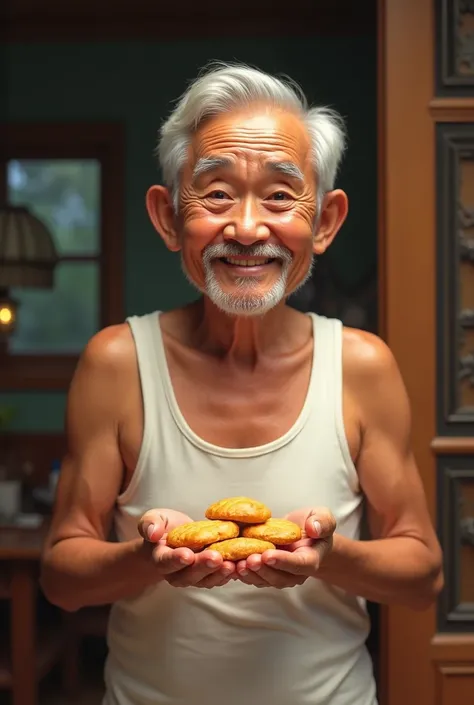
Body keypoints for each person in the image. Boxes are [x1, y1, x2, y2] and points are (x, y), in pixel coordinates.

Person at [40, 63, 443, 705]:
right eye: (217, 195)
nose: (248, 228)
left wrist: (327, 555)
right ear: (169, 218)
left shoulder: (361, 366)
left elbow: (423, 574)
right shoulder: (117, 363)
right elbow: (62, 577)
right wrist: (149, 560)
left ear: (326, 222)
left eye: (281, 197)